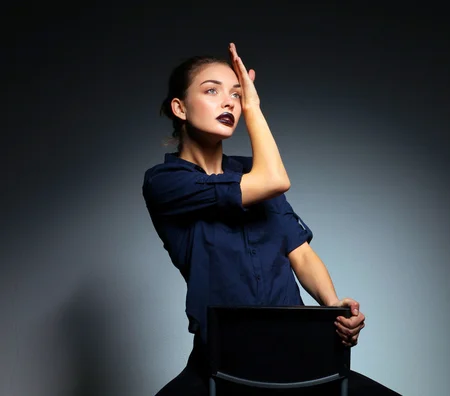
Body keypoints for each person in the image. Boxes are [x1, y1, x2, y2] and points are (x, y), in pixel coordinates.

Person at [143, 43, 400, 395]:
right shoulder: (165, 182)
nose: (230, 101)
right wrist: (254, 108)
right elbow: (276, 179)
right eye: (212, 90)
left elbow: (300, 251)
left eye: (237, 92)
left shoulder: (253, 171)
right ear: (179, 107)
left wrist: (333, 306)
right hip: (224, 363)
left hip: (300, 355)